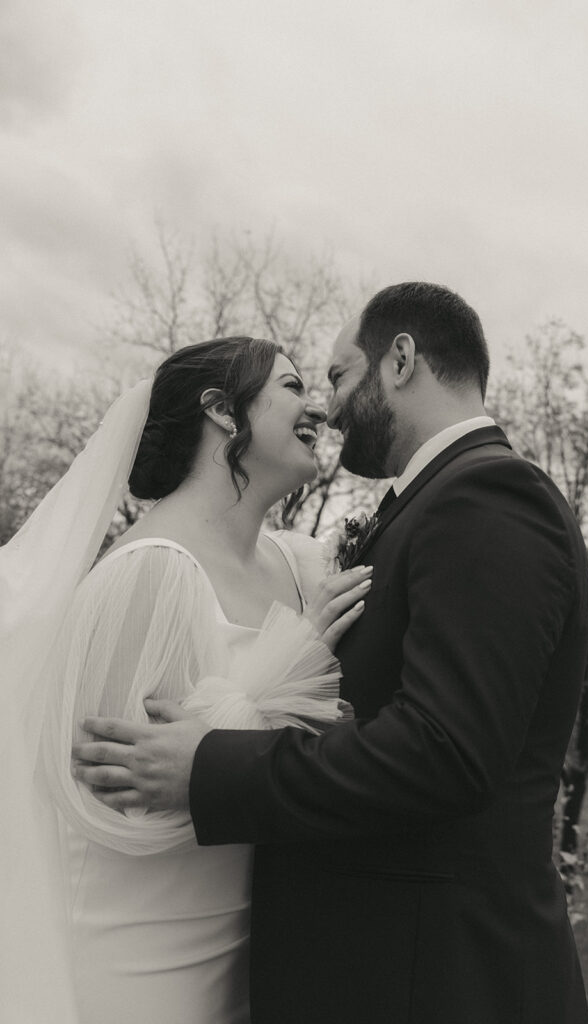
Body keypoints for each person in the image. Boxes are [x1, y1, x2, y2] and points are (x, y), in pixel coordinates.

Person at [75, 283, 588, 1024]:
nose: (329, 406)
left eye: (338, 376)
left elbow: (443, 750)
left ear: (401, 360)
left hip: (432, 980)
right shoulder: (435, 503)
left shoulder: (487, 496)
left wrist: (209, 766)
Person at [0, 337, 370, 1024]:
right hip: (137, 958)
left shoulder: (297, 570)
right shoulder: (150, 572)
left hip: (245, 950)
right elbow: (115, 800)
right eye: (291, 386)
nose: (314, 404)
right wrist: (298, 658)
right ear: (221, 412)